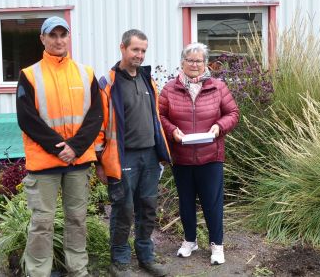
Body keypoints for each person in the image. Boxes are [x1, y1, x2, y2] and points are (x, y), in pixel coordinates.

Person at [16, 16, 103, 277]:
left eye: (62, 34)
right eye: (52, 35)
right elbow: (27, 119)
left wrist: (74, 148)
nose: (58, 40)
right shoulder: (29, 75)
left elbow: (96, 116)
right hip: (45, 164)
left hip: (77, 162)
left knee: (77, 220)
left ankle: (78, 270)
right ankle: (38, 272)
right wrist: (59, 147)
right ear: (42, 38)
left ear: (69, 37)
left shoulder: (86, 73)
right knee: (41, 224)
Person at [94, 29, 171, 277]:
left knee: (148, 207)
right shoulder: (108, 84)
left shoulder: (148, 80)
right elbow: (98, 125)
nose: (139, 55)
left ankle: (146, 257)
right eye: (135, 49)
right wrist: (99, 162)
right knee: (123, 209)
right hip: (122, 157)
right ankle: (119, 260)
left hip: (149, 156)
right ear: (123, 48)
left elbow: (155, 119)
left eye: (143, 50)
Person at [158, 42, 239, 265]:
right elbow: (160, 116)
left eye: (199, 60)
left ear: (205, 63)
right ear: (182, 62)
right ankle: (190, 240)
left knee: (212, 202)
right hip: (182, 157)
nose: (194, 64)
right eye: (190, 60)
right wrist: (172, 130)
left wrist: (219, 127)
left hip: (210, 155)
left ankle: (217, 245)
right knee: (185, 202)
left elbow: (232, 113)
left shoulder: (218, 87)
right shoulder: (169, 89)